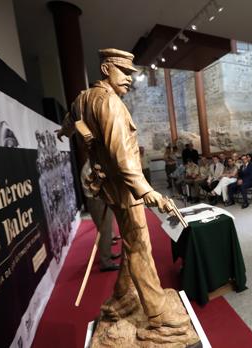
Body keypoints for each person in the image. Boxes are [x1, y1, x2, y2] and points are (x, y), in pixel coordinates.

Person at [56, 48, 187, 328]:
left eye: (130, 73)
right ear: (106, 69)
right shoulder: (111, 102)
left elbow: (68, 123)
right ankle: (157, 313)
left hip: (108, 187)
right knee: (140, 246)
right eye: (124, 72)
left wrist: (64, 132)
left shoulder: (82, 98)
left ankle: (122, 296)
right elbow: (122, 156)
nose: (129, 78)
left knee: (131, 244)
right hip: (125, 188)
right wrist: (146, 190)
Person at [81, 160, 120, 272]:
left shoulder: (93, 165)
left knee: (106, 230)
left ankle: (107, 253)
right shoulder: (90, 168)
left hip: (101, 200)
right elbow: (93, 188)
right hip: (97, 201)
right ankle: (105, 262)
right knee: (104, 231)